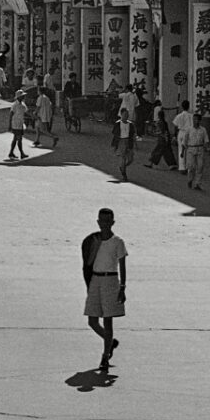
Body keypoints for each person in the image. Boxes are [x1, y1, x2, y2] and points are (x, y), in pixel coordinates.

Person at [81, 207, 128, 370]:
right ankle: (110, 342)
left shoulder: (118, 242)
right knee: (92, 320)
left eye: (108, 221)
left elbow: (122, 265)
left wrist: (122, 287)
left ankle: (105, 356)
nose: (104, 224)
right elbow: (86, 262)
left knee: (108, 321)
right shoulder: (93, 240)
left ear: (113, 223)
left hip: (111, 281)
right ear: (98, 222)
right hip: (95, 279)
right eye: (102, 221)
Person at [144, 103, 177, 169]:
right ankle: (172, 165)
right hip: (166, 139)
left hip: (162, 140)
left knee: (156, 152)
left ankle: (151, 164)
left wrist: (154, 133)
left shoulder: (159, 122)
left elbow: (160, 132)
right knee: (167, 152)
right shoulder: (165, 122)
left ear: (159, 116)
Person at [184, 113, 210, 190]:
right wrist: (183, 150)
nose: (195, 121)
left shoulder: (203, 130)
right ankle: (190, 179)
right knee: (191, 166)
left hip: (200, 149)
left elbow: (206, 140)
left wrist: (207, 147)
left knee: (200, 166)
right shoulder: (189, 129)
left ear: (199, 121)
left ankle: (197, 183)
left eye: (196, 119)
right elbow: (185, 140)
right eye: (194, 119)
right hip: (191, 149)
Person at [112, 108, 137, 180]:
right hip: (121, 141)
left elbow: (133, 134)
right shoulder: (117, 123)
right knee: (123, 158)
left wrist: (134, 142)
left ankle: (123, 167)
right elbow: (114, 134)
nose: (126, 116)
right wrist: (115, 145)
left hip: (129, 142)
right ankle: (124, 174)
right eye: (125, 114)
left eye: (127, 114)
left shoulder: (130, 124)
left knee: (130, 159)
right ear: (121, 115)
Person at [172, 100, 194, 172]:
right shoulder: (191, 116)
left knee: (181, 150)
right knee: (188, 151)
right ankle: (188, 168)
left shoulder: (179, 116)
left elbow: (175, 126)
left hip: (181, 133)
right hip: (189, 133)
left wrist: (175, 135)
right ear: (188, 106)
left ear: (182, 106)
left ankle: (182, 167)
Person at [7, 94, 29, 160]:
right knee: (19, 139)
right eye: (22, 96)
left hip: (20, 123)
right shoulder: (14, 105)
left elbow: (26, 112)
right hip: (15, 123)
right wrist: (10, 125)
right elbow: (11, 115)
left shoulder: (23, 104)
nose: (23, 97)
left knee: (15, 139)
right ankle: (21, 153)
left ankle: (11, 153)